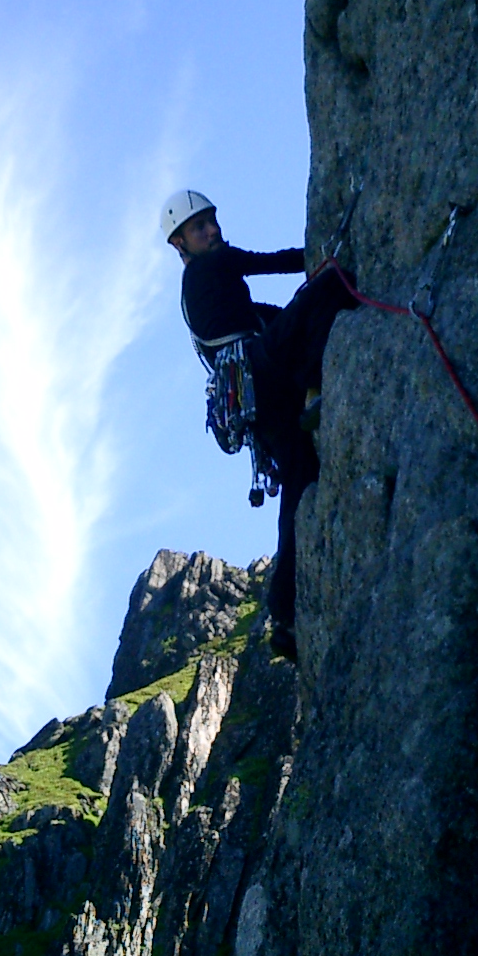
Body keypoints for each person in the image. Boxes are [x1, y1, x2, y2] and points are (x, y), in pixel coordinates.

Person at [162, 189, 358, 659]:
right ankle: (314, 387)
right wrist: (323, 258)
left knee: (300, 477)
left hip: (254, 400)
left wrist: (296, 308)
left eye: (212, 220)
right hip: (260, 370)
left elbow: (265, 318)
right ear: (181, 244)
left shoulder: (196, 295)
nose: (213, 230)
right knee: (331, 286)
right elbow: (277, 263)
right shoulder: (215, 265)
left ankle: (284, 611)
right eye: (200, 227)